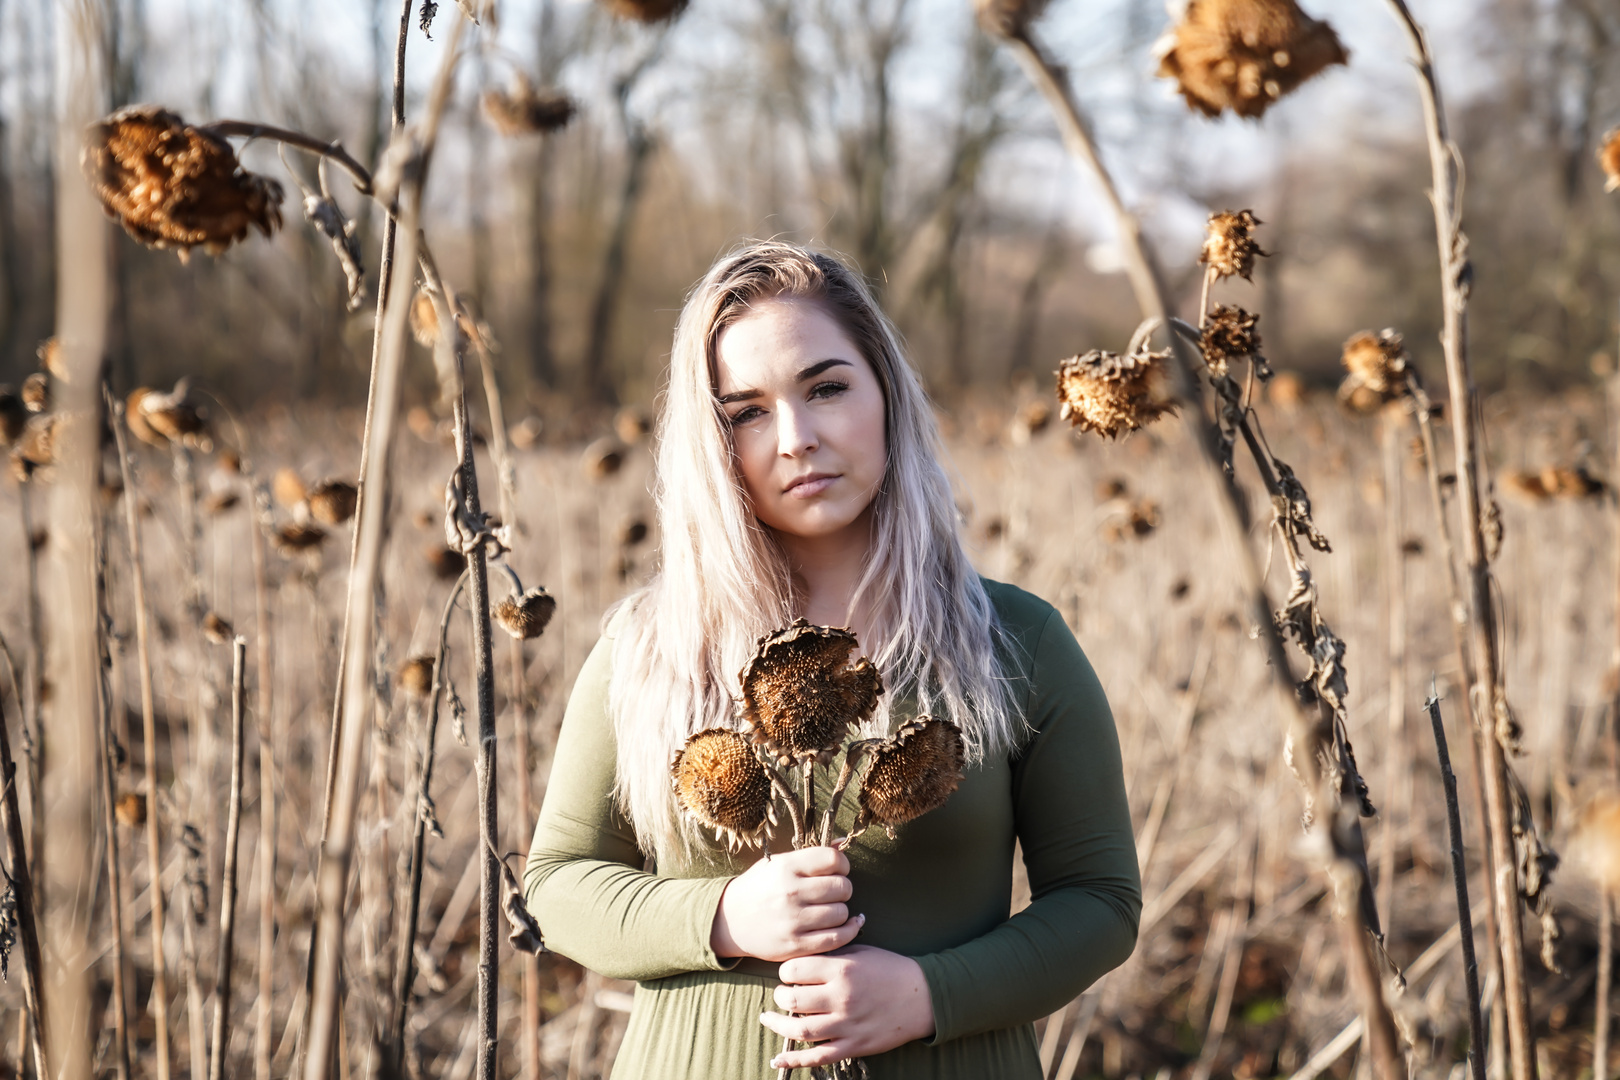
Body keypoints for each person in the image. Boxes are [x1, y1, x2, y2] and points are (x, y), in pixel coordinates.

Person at [524, 240, 1140, 1079]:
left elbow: (1100, 903)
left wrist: (930, 994)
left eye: (827, 388)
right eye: (746, 412)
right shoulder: (650, 645)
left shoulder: (1014, 641)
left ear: (886, 393)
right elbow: (558, 882)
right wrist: (722, 916)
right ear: (713, 443)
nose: (796, 438)